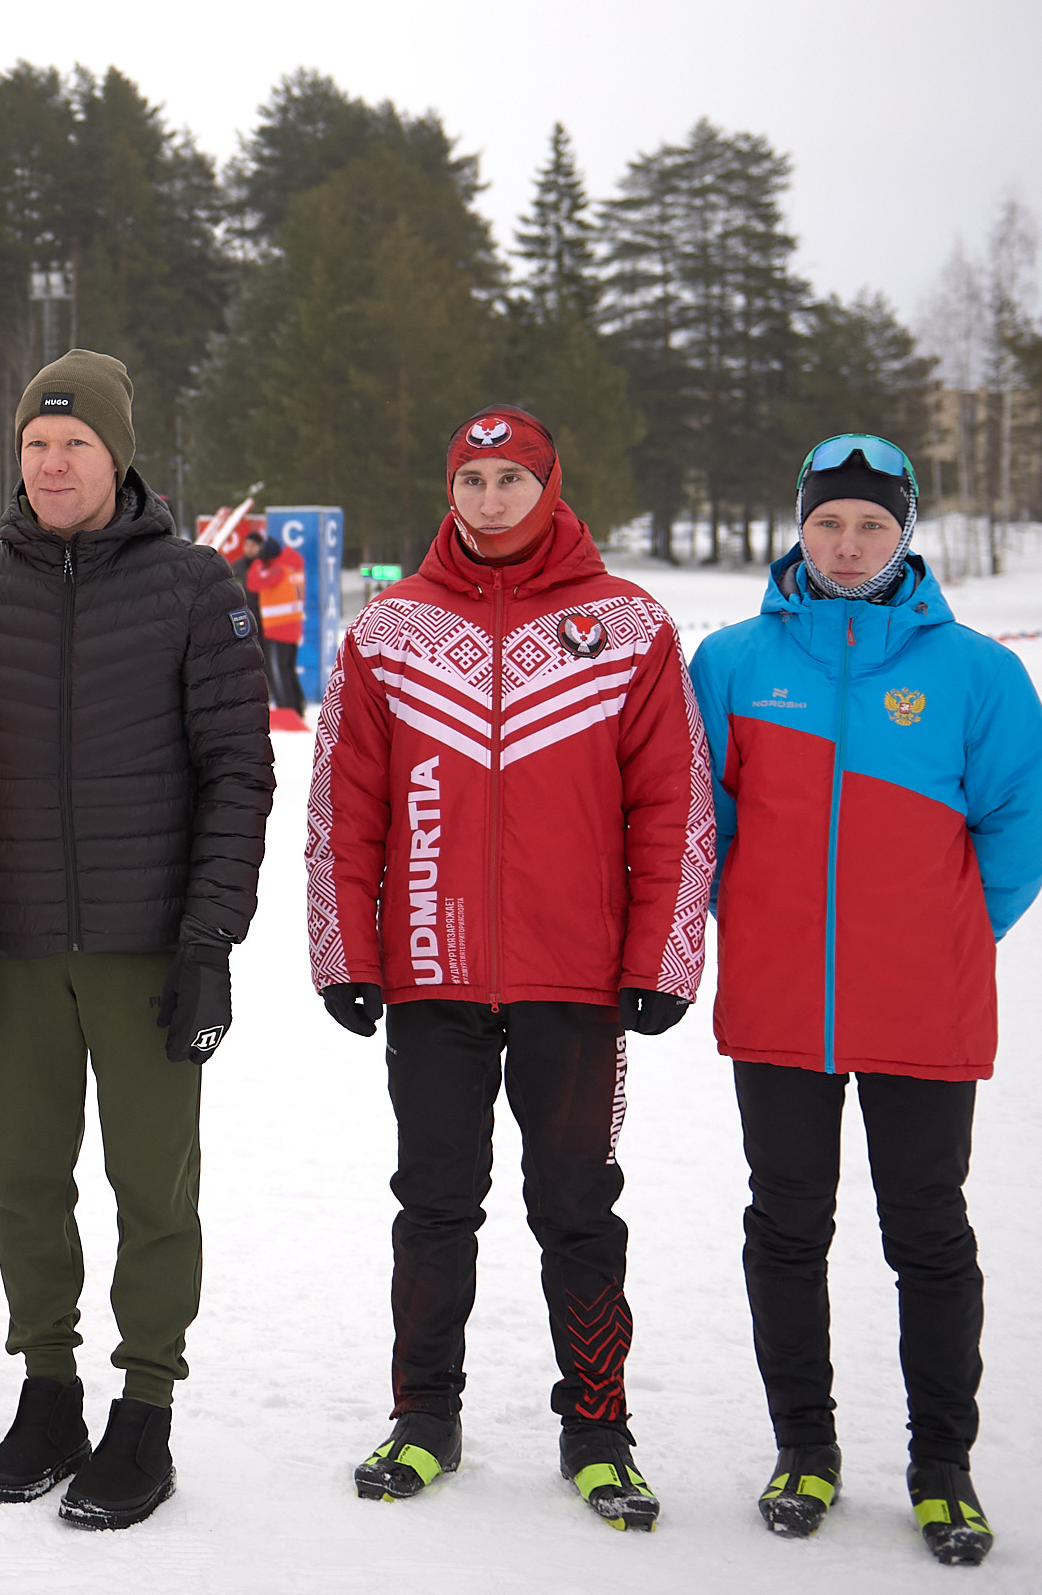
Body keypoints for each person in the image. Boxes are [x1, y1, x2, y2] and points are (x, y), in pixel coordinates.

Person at [304, 404, 712, 1531]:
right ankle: (422, 1414)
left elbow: (674, 802)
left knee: (577, 1206)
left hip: (573, 982)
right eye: (471, 479)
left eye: (511, 479)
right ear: (450, 488)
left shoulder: (626, 625)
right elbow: (344, 801)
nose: (489, 499)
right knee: (432, 1203)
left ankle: (597, 1427)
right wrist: (344, 948)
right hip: (431, 968)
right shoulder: (389, 628)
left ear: (550, 484)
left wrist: (661, 956)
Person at [0, 349, 273, 1530]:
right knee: (26, 1184)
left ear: (118, 456)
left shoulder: (197, 585)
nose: (52, 464)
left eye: (74, 444)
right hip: (10, 948)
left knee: (152, 1189)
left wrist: (208, 937)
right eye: (33, 445)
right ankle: (47, 1390)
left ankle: (145, 1405)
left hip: (146, 949)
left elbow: (237, 775)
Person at [689, 435, 1042, 1566]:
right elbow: (698, 823)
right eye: (826, 523)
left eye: (870, 525)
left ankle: (941, 1464)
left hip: (922, 1005)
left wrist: (954, 930)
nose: (846, 544)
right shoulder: (733, 661)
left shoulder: (976, 671)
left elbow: (1025, 817)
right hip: (780, 1003)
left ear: (907, 534)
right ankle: (803, 1445)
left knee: (929, 1233)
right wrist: (746, 925)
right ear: (795, 527)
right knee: (786, 1228)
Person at [236, 526, 307, 727]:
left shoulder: (277, 570)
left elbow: (253, 583)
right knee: (288, 669)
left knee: (278, 671)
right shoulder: (292, 564)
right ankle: (296, 706)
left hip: (278, 627)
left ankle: (287, 711)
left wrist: (259, 562)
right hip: (291, 626)